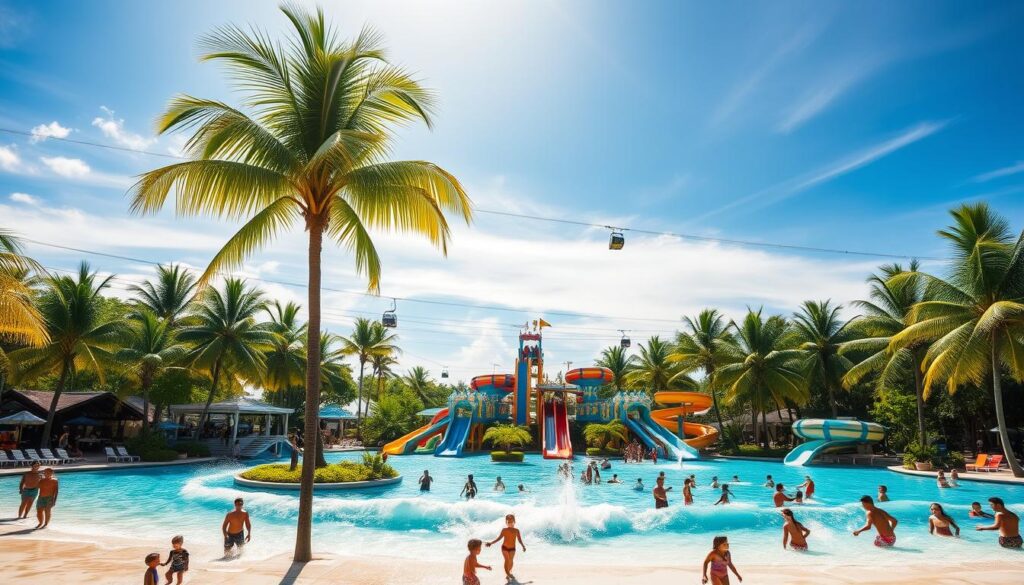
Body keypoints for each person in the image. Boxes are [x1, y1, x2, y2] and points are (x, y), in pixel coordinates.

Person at [486, 514, 527, 581]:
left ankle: (508, 573)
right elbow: (498, 538)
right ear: (506, 522)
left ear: (514, 522)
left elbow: (519, 540)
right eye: (508, 522)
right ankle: (508, 573)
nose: (510, 523)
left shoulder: (516, 530)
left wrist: (523, 546)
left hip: (512, 549)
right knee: (507, 560)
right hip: (504, 548)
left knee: (511, 561)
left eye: (511, 522)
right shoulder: (504, 530)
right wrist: (491, 543)